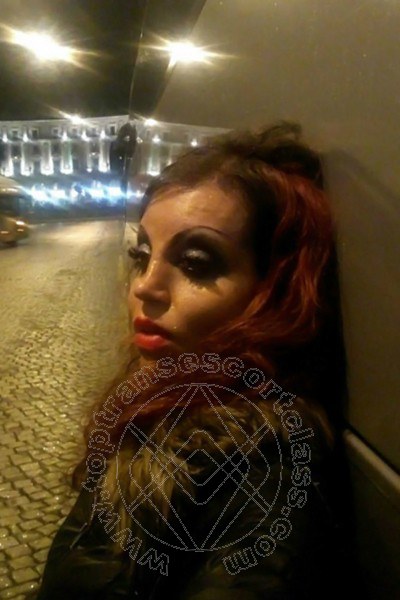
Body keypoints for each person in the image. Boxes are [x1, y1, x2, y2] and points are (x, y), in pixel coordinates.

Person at [36, 122, 357, 599]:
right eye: (142, 254)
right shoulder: (160, 397)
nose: (144, 286)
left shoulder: (265, 472)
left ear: (272, 294)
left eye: (195, 263)